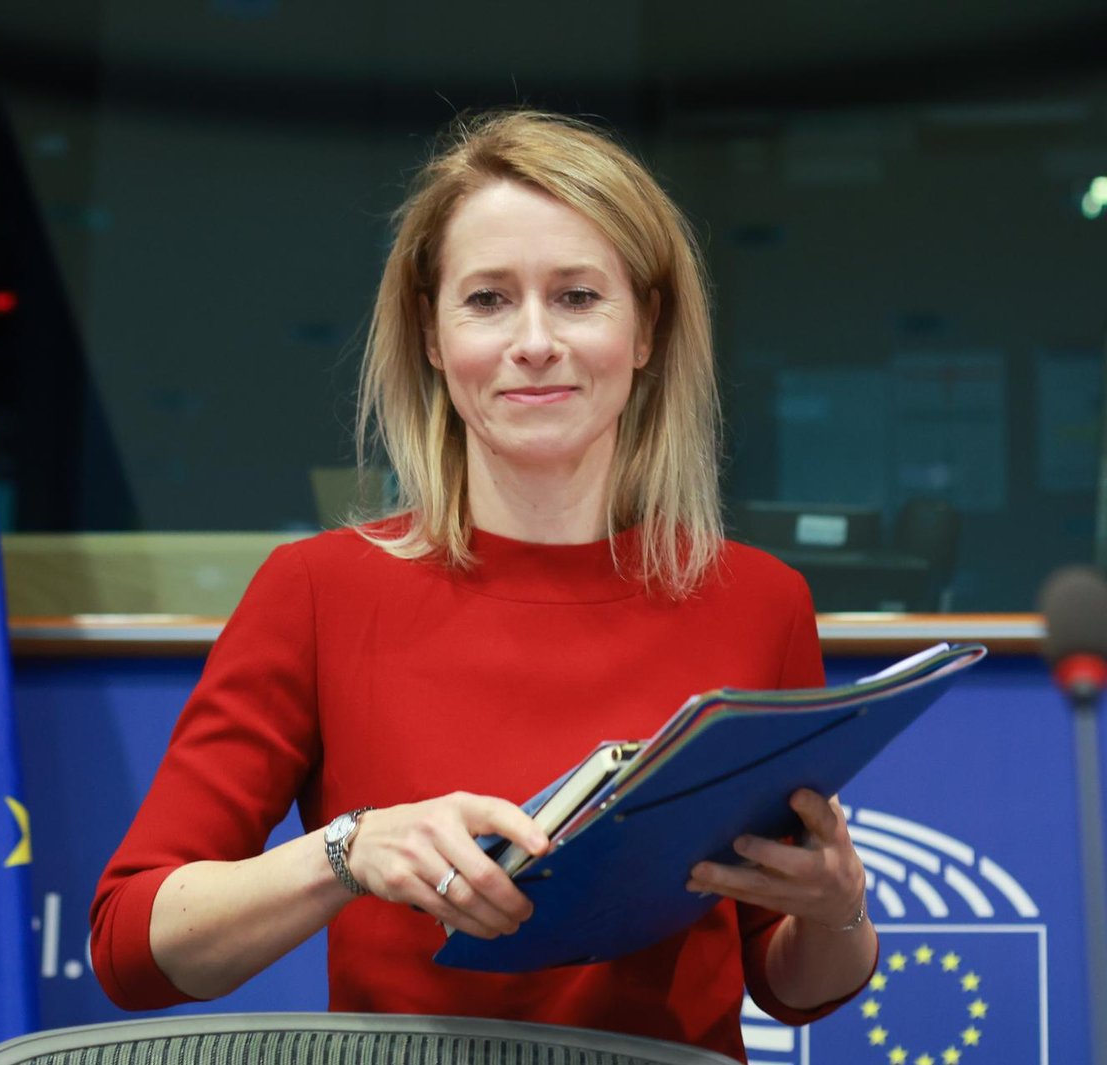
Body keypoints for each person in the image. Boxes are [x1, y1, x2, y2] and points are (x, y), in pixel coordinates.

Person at [90, 109, 876, 1060]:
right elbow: (132, 946)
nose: (534, 341)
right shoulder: (318, 590)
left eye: (578, 296)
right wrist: (351, 850)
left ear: (646, 328)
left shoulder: (760, 601)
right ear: (432, 334)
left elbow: (792, 985)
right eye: (489, 300)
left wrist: (837, 907)